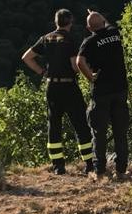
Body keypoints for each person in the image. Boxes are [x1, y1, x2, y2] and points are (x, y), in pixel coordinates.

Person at [22, 9, 94, 175]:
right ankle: (89, 163)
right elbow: (75, 66)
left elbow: (26, 57)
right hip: (69, 86)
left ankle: (58, 166)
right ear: (70, 22)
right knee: (80, 124)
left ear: (56, 22)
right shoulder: (69, 40)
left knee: (54, 125)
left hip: (51, 87)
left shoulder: (46, 38)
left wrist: (42, 72)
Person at [76, 10, 129, 180]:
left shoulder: (89, 41)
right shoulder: (114, 33)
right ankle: (121, 170)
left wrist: (90, 77)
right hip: (120, 89)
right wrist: (96, 14)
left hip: (101, 92)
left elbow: (79, 61)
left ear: (88, 27)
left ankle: (99, 172)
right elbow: (105, 23)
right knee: (120, 131)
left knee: (99, 133)